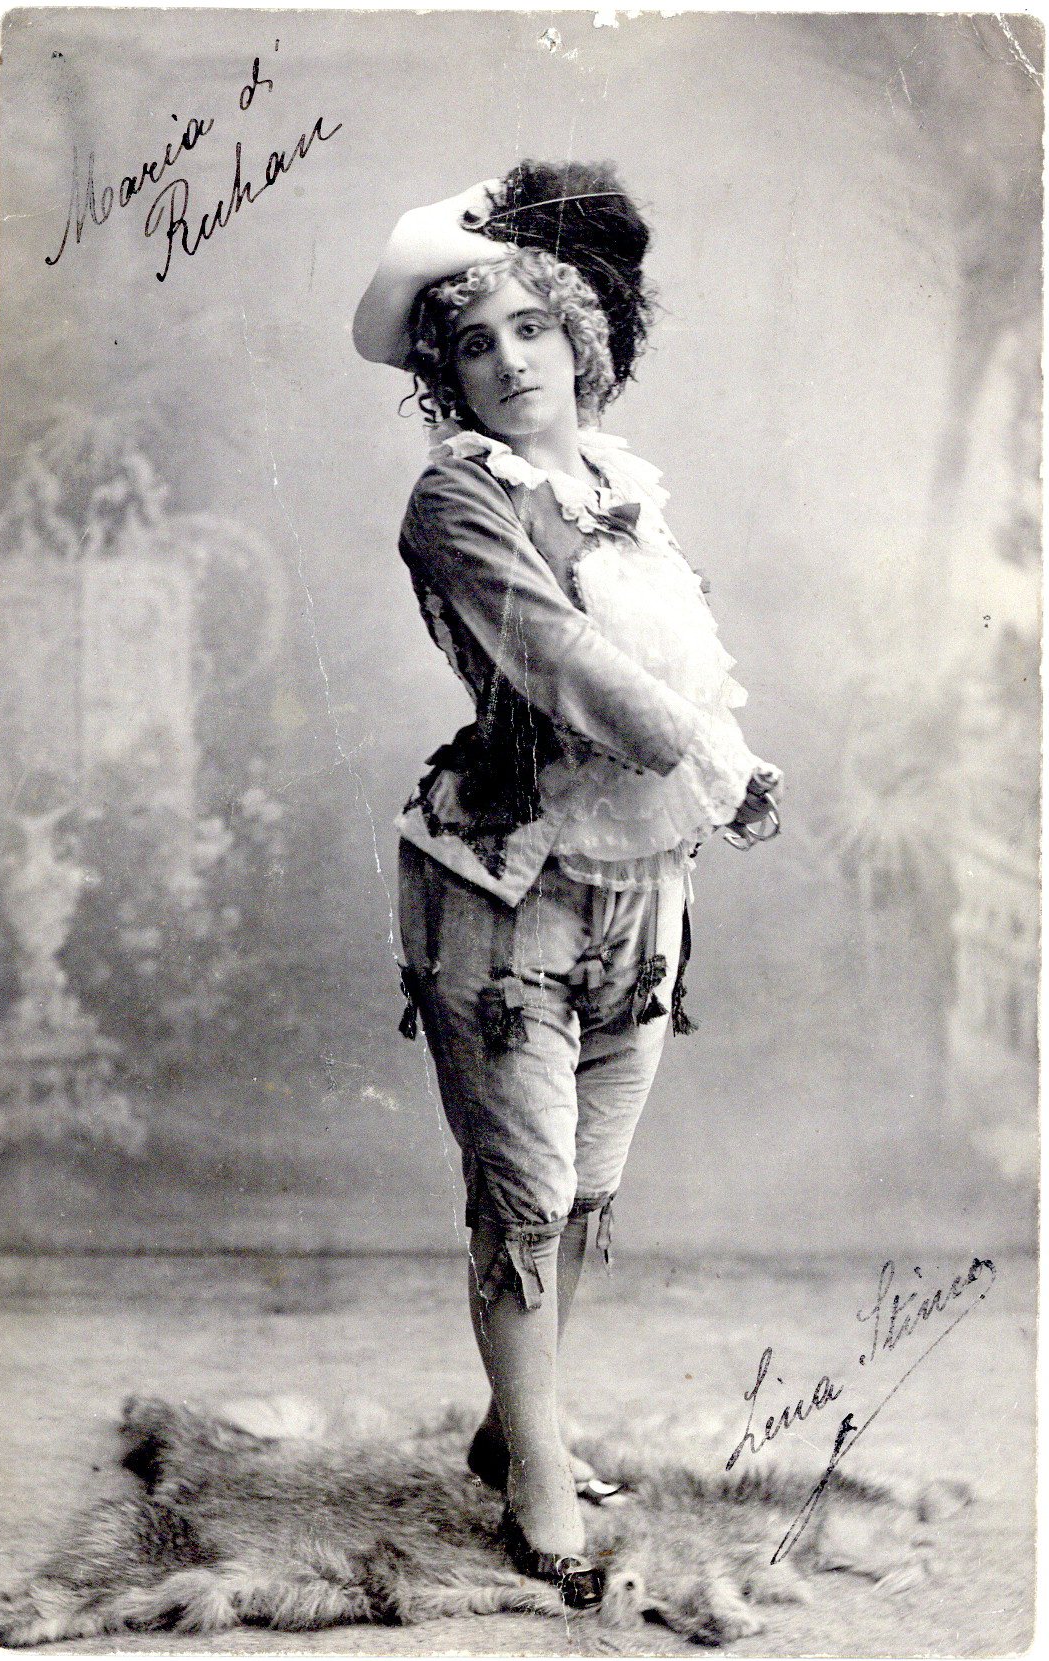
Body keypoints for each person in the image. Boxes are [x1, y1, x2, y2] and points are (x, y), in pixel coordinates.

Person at [352, 161, 781, 1608]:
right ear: (445, 376)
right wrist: (716, 762)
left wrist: (720, 759)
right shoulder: (456, 501)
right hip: (506, 882)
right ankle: (538, 1467)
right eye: (474, 343)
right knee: (525, 1192)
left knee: (591, 1182)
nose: (509, 361)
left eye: (532, 327)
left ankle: (509, 1421)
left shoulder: (621, 488)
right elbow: (563, 660)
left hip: (644, 879)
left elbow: (682, 655)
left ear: (578, 337)